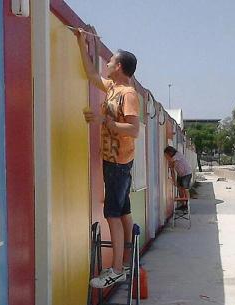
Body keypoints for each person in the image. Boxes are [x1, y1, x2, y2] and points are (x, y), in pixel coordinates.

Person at [74, 28, 140, 288]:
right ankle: (128, 256)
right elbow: (91, 74)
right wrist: (82, 42)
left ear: (119, 66)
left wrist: (105, 121)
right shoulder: (113, 87)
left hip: (119, 162)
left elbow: (134, 130)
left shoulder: (129, 95)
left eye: (111, 61)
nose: (107, 63)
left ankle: (116, 269)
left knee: (112, 212)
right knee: (121, 209)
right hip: (112, 160)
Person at [164, 145, 192, 210]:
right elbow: (172, 171)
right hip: (180, 174)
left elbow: (172, 162)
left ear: (170, 153)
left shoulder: (177, 155)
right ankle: (183, 204)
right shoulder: (171, 160)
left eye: (166, 156)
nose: (166, 157)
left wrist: (170, 162)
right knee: (179, 189)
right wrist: (174, 181)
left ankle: (187, 205)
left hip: (187, 173)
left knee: (185, 189)